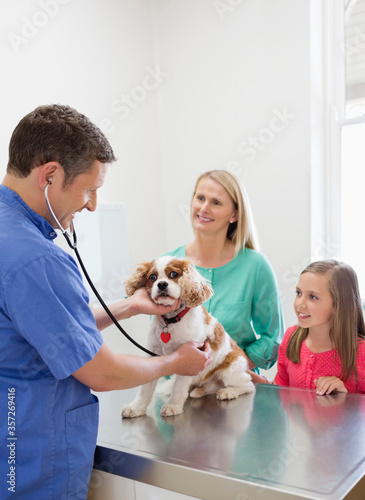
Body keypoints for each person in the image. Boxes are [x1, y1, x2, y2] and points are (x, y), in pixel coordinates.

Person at [0, 104, 212, 500]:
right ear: (50, 176)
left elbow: (52, 330)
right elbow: (104, 374)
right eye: (89, 189)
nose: (93, 204)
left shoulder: (9, 236)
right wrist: (174, 363)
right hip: (29, 459)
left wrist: (130, 306)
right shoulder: (36, 259)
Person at [166, 169, 284, 372]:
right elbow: (161, 332)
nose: (204, 208)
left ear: (234, 215)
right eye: (200, 198)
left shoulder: (256, 266)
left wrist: (232, 366)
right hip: (178, 388)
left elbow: (273, 338)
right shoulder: (169, 267)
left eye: (216, 202)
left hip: (234, 387)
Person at [269, 260, 365, 394]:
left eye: (313, 297)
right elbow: (281, 389)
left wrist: (346, 397)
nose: (300, 304)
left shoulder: (361, 353)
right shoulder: (291, 337)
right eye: (298, 293)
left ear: (338, 305)